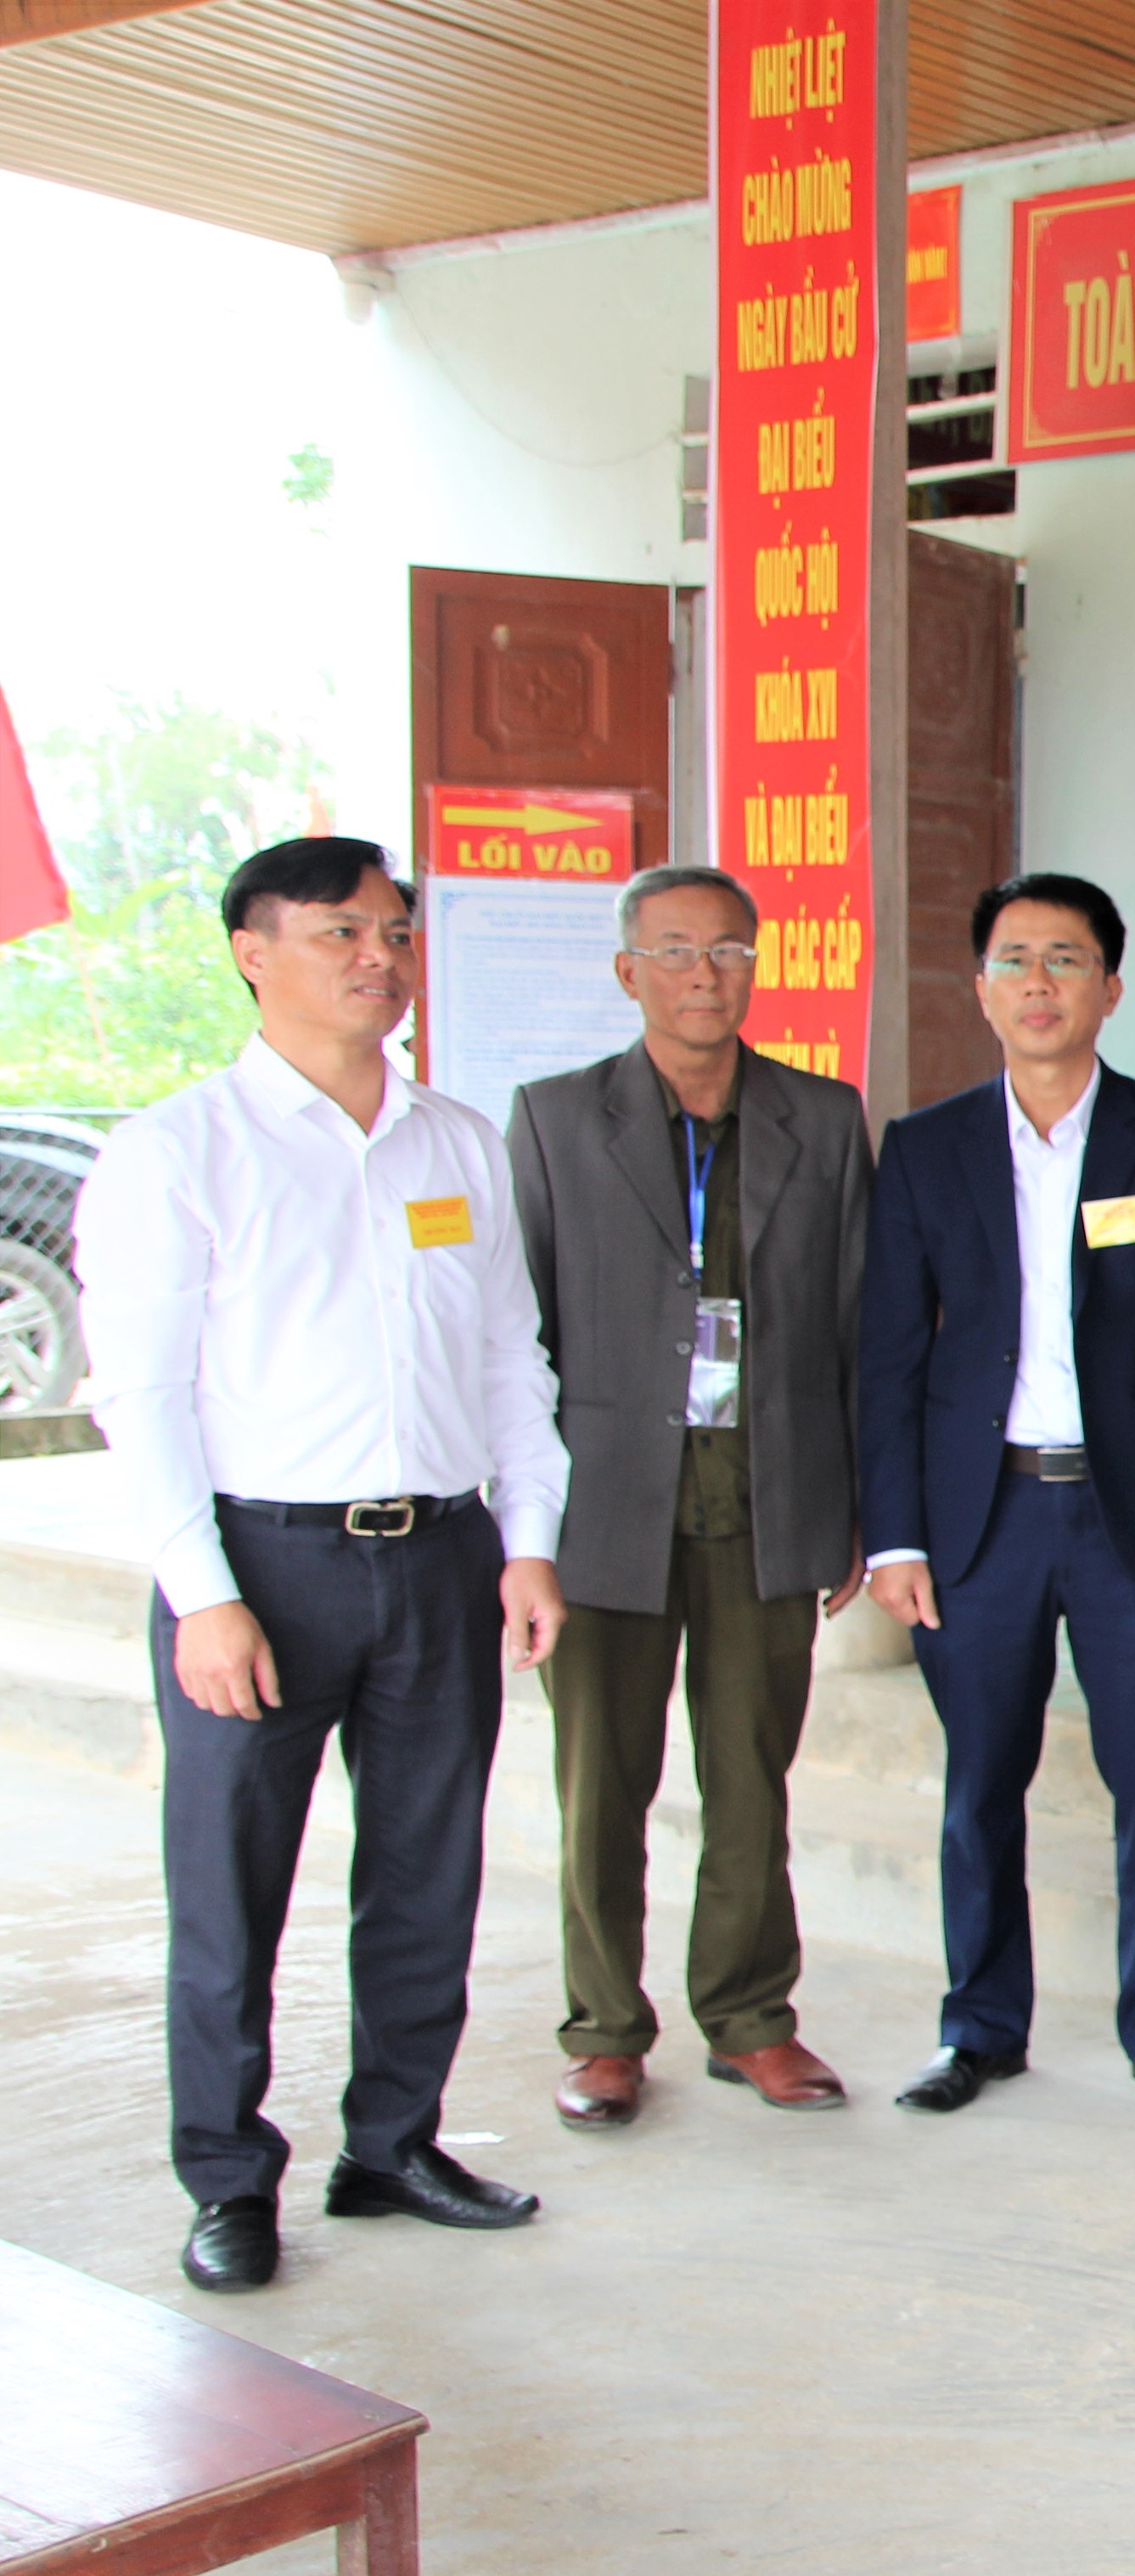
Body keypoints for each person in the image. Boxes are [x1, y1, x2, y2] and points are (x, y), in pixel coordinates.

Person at [81, 835, 570, 2291]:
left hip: (440, 1555)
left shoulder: (455, 1141)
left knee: (427, 1868)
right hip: (263, 1564)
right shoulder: (179, 1148)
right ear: (253, 951)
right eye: (341, 931)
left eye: (395, 930)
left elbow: (510, 1360)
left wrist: (527, 1543)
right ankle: (228, 2178)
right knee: (229, 1886)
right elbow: (140, 1396)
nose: (378, 956)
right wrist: (202, 1592)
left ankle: (394, 2143)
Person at [859, 873, 1135, 2119]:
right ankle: (979, 2026)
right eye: (1015, 960)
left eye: (1066, 959)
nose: (1040, 983)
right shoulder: (925, 1148)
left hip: (1133, 1522)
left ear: (1110, 988)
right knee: (980, 1785)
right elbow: (889, 1356)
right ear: (982, 989)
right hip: (981, 1521)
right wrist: (895, 1535)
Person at [509, 864, 868, 2130]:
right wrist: (520, 1526)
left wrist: (854, 1507)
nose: (703, 975)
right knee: (600, 1783)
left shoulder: (824, 1118)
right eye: (673, 951)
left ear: (758, 965)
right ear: (629, 972)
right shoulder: (555, 1119)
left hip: (769, 1494)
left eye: (726, 950)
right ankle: (605, 2029)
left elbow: (857, 1322)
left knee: (752, 1778)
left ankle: (751, 2017)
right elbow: (520, 1333)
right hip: (606, 1503)